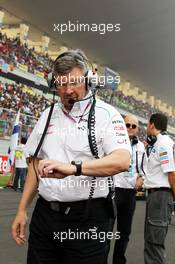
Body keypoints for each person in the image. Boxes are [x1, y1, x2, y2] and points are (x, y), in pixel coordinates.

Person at [11, 49, 131, 264]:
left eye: (74, 83)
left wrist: (74, 168)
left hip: (88, 220)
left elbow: (122, 160)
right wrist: (21, 210)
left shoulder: (107, 114)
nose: (67, 90)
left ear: (88, 80)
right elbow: (35, 163)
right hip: (45, 216)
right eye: (61, 84)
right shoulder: (47, 114)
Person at [113, 114, 147, 264]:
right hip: (113, 190)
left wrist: (142, 178)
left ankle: (118, 261)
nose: (130, 128)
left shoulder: (141, 147)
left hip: (130, 193)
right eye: (127, 125)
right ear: (122, 125)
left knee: (124, 232)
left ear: (138, 129)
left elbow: (144, 169)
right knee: (106, 230)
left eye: (133, 126)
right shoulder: (113, 141)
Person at [144, 113, 175, 264]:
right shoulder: (159, 143)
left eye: (148, 124)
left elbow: (172, 173)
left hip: (160, 196)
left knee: (154, 245)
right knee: (151, 242)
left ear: (152, 124)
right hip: (155, 196)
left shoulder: (164, 143)